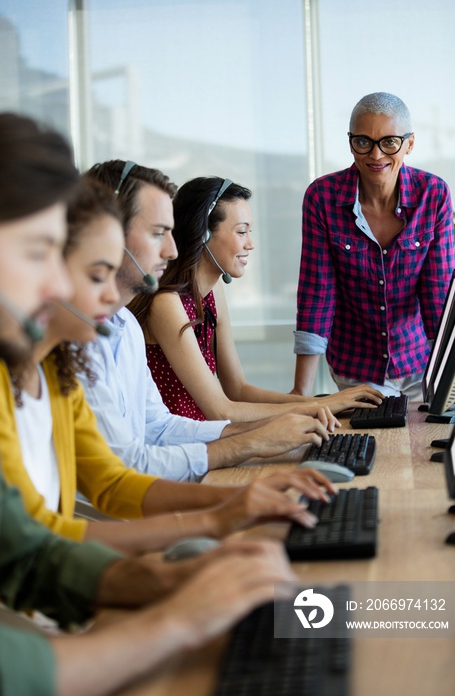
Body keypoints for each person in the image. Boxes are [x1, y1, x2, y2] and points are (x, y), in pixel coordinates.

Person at [0, 111, 300, 696]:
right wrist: (177, 616)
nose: (68, 289)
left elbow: (31, 554)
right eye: (42, 255)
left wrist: (195, 549)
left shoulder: (56, 364)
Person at [0, 177, 335, 554]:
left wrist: (239, 489)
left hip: (133, 510)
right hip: (115, 530)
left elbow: (129, 460)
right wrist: (245, 456)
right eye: (97, 274)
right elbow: (42, 546)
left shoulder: (107, 335)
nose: (173, 251)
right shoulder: (92, 343)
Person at [80, 160, 340, 483]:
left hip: (177, 467)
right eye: (157, 233)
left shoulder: (126, 327)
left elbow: (161, 428)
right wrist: (258, 439)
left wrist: (274, 429)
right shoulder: (87, 338)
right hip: (148, 492)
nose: (172, 250)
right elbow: (124, 469)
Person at [128, 176, 383, 422]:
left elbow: (237, 389)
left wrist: (330, 401)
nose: (250, 243)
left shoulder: (213, 291)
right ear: (203, 233)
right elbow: (222, 411)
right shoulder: (167, 304)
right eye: (241, 232)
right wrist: (321, 405)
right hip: (180, 450)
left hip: (206, 440)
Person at [292, 92, 455, 402]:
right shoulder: (322, 198)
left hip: (420, 364)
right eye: (364, 142)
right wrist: (302, 392)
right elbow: (318, 294)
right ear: (351, 141)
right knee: (371, 446)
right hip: (355, 367)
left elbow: (437, 294)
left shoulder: (432, 195)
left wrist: (451, 378)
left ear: (409, 143)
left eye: (389, 142)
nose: (376, 155)